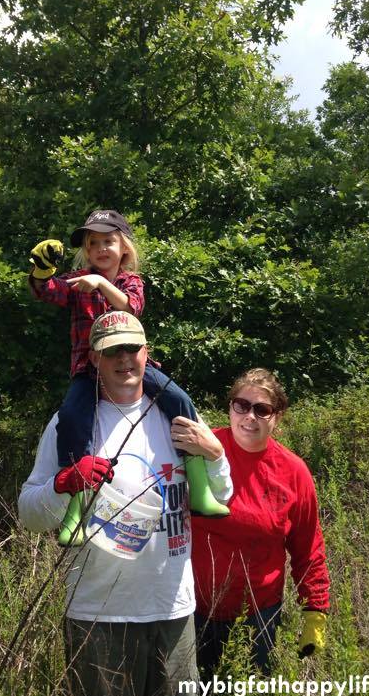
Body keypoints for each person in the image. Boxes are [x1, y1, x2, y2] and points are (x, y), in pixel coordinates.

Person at [18, 311, 233, 696]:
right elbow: (29, 512)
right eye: (111, 351)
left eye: (131, 349)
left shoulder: (178, 416)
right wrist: (62, 485)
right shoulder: (70, 423)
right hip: (97, 616)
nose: (123, 360)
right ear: (94, 359)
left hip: (172, 613)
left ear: (146, 353)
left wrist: (216, 453)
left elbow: (223, 491)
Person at [29, 208, 228, 527]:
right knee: (70, 419)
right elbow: (48, 291)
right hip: (88, 369)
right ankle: (75, 510)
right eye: (93, 243)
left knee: (180, 401)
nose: (101, 249)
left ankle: (200, 487)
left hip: (134, 366)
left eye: (108, 241)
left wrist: (99, 284)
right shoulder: (78, 281)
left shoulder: (130, 281)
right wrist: (41, 270)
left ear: (124, 247)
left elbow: (131, 305)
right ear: (86, 251)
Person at [172, 368, 330, 677]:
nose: (249, 416)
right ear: (230, 407)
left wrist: (315, 610)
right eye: (241, 405)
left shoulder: (293, 472)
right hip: (189, 608)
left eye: (262, 409)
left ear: (277, 416)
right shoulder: (200, 447)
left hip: (257, 616)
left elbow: (308, 548)